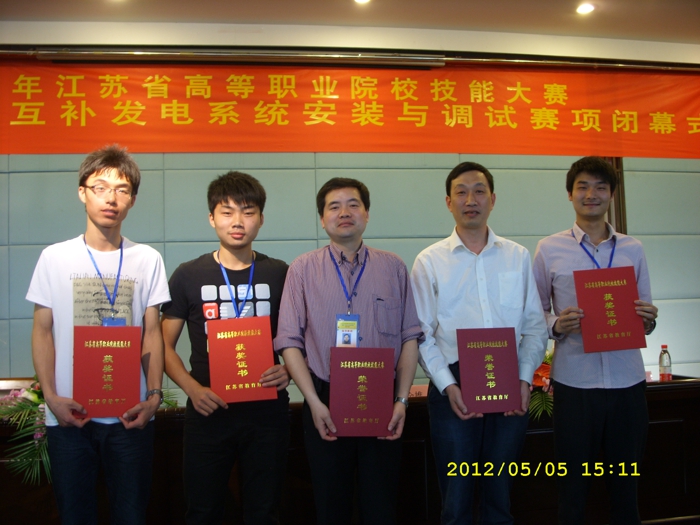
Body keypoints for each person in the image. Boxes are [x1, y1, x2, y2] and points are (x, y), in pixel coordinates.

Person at [27, 144, 170, 524]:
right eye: (101, 188)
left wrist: (153, 397)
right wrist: (51, 398)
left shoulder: (148, 259)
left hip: (130, 416)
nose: (111, 198)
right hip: (69, 415)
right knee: (74, 515)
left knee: (131, 515)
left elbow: (152, 333)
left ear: (133, 200)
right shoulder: (54, 258)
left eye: (122, 190)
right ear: (82, 192)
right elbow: (42, 332)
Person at [274, 177, 422, 525]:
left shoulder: (394, 267)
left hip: (382, 400)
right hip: (323, 401)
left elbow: (410, 338)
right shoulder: (302, 269)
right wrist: (312, 402)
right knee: (331, 506)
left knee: (381, 506)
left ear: (366, 214)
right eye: (334, 206)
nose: (344, 213)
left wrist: (401, 400)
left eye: (353, 205)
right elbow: (289, 341)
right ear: (322, 218)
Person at [411, 161, 548, 525]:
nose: (470, 200)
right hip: (453, 385)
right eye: (461, 192)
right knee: (456, 500)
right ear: (448, 202)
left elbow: (535, 327)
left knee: (499, 497)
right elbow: (421, 334)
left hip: (509, 381)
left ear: (493, 199)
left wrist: (524, 379)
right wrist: (448, 385)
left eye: (479, 191)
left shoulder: (517, 256)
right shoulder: (429, 261)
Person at [532, 156, 658, 525]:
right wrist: (558, 323)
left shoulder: (633, 248)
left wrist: (649, 319)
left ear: (611, 195)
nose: (592, 194)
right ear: (570, 194)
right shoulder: (549, 248)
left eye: (600, 187)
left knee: (626, 489)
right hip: (575, 384)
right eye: (583, 187)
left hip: (627, 382)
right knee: (572, 490)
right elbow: (534, 314)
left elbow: (646, 314)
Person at [161, 171, 290, 525]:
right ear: (211, 218)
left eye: (248, 212)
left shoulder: (280, 273)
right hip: (208, 411)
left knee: (264, 511)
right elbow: (163, 344)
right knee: (202, 511)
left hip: (267, 413)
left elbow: (301, 338)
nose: (238, 222)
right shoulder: (188, 274)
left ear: (261, 218)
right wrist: (192, 389)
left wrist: (290, 370)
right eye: (227, 212)